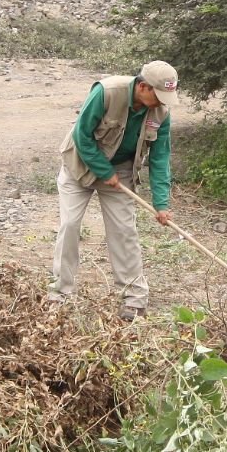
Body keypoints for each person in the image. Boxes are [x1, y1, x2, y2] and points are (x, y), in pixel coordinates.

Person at [52, 61, 178, 320]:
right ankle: (60, 293)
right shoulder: (107, 91)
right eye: (158, 95)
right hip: (80, 165)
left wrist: (161, 203)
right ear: (142, 86)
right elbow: (82, 135)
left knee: (124, 231)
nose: (161, 103)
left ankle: (134, 298)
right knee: (70, 225)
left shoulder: (160, 113)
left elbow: (160, 157)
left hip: (121, 170)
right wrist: (102, 170)